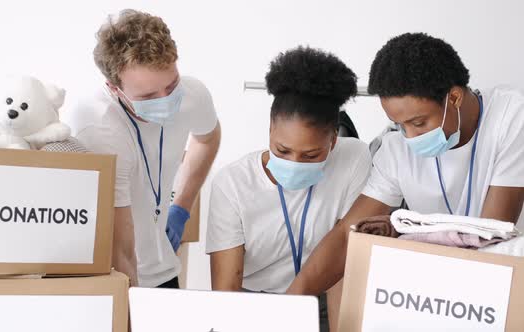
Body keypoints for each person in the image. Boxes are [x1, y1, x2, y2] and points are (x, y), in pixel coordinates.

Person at [287, 32, 524, 296]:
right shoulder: (395, 147)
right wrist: (289, 304)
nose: (409, 137)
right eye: (399, 125)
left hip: (504, 282)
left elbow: (491, 233)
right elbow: (347, 236)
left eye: (419, 123)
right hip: (438, 285)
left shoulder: (511, 117)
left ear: (454, 98)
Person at [206, 46, 371, 331]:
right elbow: (226, 292)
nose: (294, 163)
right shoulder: (232, 183)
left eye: (310, 155)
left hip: (319, 299)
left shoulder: (353, 158)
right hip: (252, 306)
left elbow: (345, 257)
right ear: (270, 129)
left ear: (333, 140)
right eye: (282, 150)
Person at [63, 9, 221, 288]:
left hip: (164, 268)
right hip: (113, 274)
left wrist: (182, 207)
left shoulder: (191, 94)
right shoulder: (100, 128)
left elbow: (208, 137)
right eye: (148, 96)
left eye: (171, 85)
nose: (166, 99)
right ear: (114, 89)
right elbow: (121, 251)